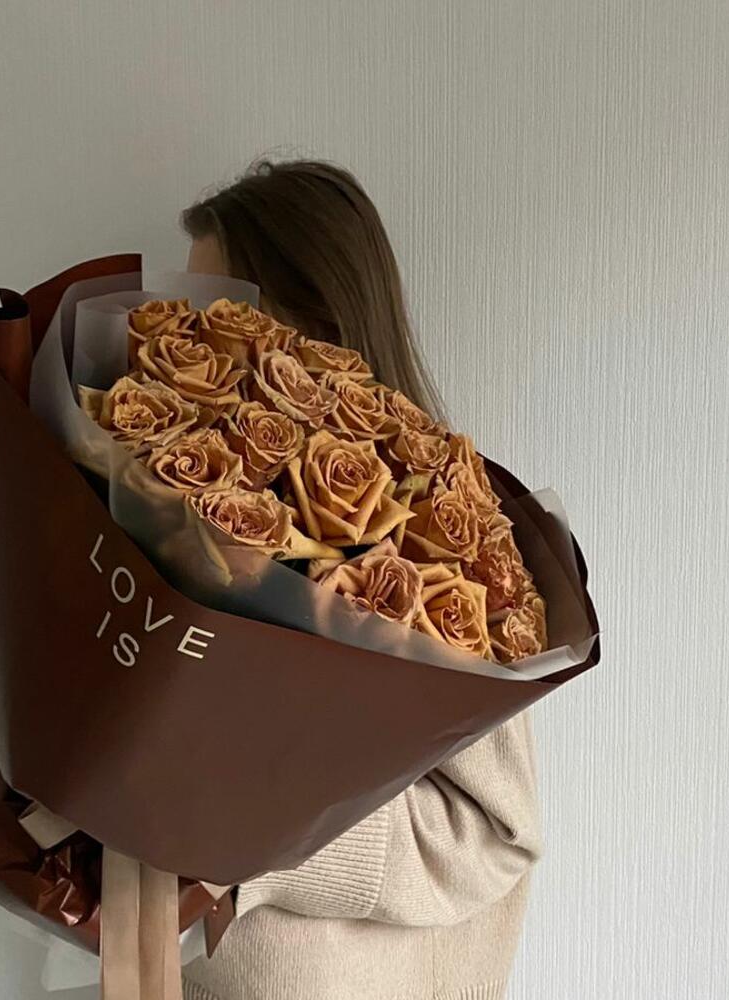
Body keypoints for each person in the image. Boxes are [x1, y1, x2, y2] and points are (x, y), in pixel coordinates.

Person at [178, 158, 543, 1000]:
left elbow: (492, 833)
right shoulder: (199, 511)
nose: (187, 341)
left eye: (216, 311)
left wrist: (254, 837)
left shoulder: (446, 537)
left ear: (317, 320)